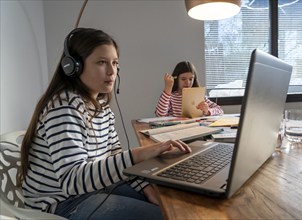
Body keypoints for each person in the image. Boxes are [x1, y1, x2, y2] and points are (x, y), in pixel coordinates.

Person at [19, 27, 191, 220]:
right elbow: (72, 181)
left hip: (93, 189)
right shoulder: (63, 107)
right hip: (62, 204)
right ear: (73, 66)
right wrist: (140, 154)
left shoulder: (101, 105)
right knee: (166, 216)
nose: (112, 71)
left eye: (115, 63)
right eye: (101, 62)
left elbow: (114, 154)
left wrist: (144, 188)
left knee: (169, 203)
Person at [155, 61, 224, 117]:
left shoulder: (199, 96)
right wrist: (168, 88)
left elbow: (220, 110)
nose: (187, 82)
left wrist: (208, 111)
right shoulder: (171, 97)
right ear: (176, 79)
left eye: (191, 79)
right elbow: (160, 114)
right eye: (183, 79)